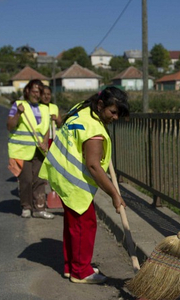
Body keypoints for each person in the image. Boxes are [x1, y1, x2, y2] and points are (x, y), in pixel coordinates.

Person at [39, 86, 130, 284]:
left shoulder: (82, 109)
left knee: (72, 224)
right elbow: (93, 166)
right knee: (84, 224)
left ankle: (71, 266)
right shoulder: (93, 130)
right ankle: (81, 271)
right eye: (112, 112)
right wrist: (115, 194)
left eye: (118, 114)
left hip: (60, 174)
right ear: (100, 105)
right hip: (73, 180)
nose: (115, 118)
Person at [6, 79, 55, 219]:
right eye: (34, 91)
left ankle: (39, 208)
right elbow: (10, 125)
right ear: (27, 91)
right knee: (26, 179)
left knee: (40, 179)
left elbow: (45, 129)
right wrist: (18, 114)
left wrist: (45, 142)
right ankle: (26, 206)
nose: (36, 94)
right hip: (21, 150)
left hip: (39, 150)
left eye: (39, 92)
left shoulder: (45, 108)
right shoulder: (18, 105)